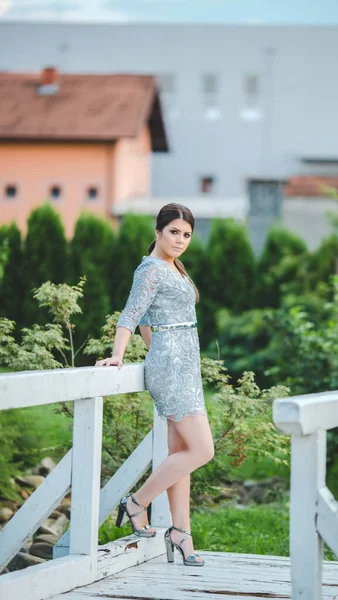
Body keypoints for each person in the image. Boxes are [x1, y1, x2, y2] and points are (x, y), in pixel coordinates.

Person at [95, 203, 214, 567]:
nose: (180, 240)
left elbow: (150, 319)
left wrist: (155, 349)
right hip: (172, 368)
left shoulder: (173, 267)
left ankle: (181, 533)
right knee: (202, 450)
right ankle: (136, 502)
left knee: (181, 454)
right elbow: (131, 312)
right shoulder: (150, 269)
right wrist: (119, 354)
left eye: (186, 234)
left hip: (184, 365)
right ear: (159, 231)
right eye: (174, 232)